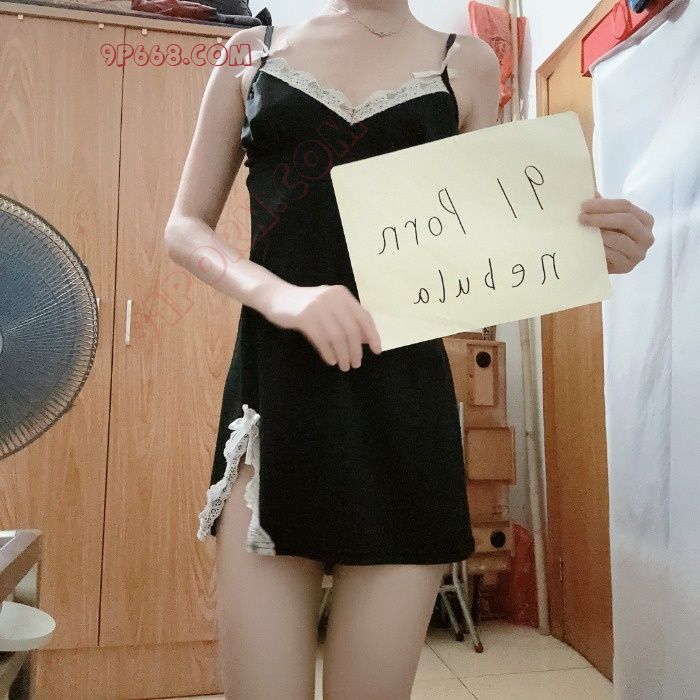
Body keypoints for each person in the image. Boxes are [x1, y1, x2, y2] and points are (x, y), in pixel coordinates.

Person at [164, 2, 656, 698]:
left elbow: (490, 234)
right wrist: (282, 297)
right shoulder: (252, 51)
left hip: (404, 411)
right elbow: (185, 227)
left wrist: (585, 246)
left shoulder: (467, 62)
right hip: (275, 408)